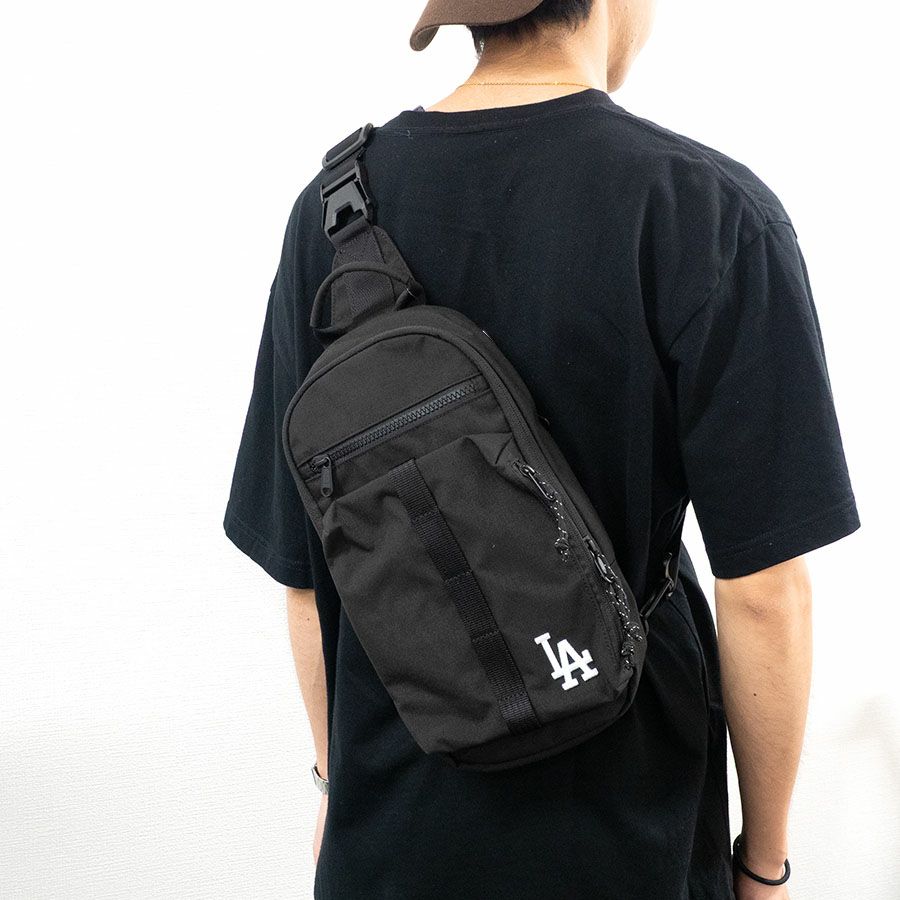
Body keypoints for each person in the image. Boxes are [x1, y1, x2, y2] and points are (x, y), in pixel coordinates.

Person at [223, 1, 861, 897]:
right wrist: (764, 863)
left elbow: (304, 574)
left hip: (397, 837)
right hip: (631, 835)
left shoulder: (333, 215)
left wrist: (339, 787)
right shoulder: (707, 211)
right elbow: (764, 595)